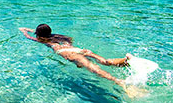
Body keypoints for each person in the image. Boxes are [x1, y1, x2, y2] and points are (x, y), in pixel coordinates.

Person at [19, 23, 147, 98]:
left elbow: (29, 36)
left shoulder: (42, 40)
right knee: (104, 62)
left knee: (95, 69)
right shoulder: (57, 36)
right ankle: (127, 60)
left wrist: (24, 31)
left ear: (39, 34)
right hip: (79, 50)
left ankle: (121, 82)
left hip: (70, 55)